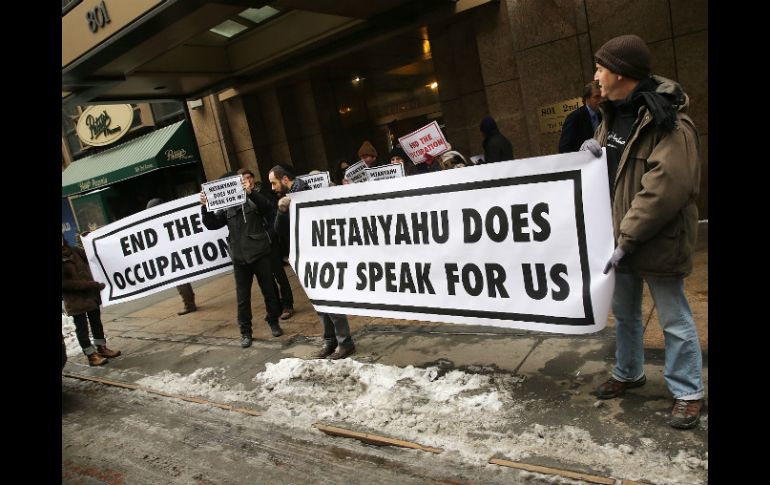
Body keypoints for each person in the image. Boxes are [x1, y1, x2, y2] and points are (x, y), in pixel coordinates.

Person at [580, 34, 703, 430]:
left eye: (600, 68)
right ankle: (628, 371)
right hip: (619, 239)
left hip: (655, 239)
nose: (596, 76)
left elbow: (664, 189)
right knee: (626, 314)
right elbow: (614, 170)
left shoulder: (669, 121)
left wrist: (627, 237)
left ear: (620, 73)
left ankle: (688, 391)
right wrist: (592, 155)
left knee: (673, 318)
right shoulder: (614, 115)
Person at [268, 164, 356, 360]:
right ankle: (331, 340)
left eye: (274, 183)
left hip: (321, 254)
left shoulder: (308, 193)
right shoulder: (287, 198)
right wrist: (282, 211)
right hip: (305, 255)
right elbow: (279, 230)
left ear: (284, 180)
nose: (272, 188)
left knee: (331, 299)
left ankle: (345, 342)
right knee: (318, 300)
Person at [199, 170, 284, 348]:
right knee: (242, 299)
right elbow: (212, 224)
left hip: (260, 253)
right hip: (239, 259)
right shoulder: (226, 207)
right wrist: (205, 207)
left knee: (269, 291)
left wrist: (250, 193)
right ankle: (245, 332)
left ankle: (273, 321)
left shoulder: (252, 198)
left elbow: (268, 208)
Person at [62, 234, 121, 366]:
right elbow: (65, 284)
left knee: (96, 323)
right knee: (82, 328)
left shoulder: (74, 251)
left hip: (90, 296)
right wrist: (90, 285)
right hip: (75, 300)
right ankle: (91, 355)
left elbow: (92, 256)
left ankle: (102, 348)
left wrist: (88, 240)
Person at [146, 198, 197, 315]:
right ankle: (190, 302)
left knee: (180, 279)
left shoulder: (158, 222)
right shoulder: (169, 217)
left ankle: (189, 304)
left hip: (172, 254)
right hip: (176, 252)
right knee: (182, 279)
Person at [559, 81, 603, 153]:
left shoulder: (603, 115)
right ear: (587, 99)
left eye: (602, 96)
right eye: (597, 97)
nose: (601, 100)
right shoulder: (575, 117)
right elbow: (564, 148)